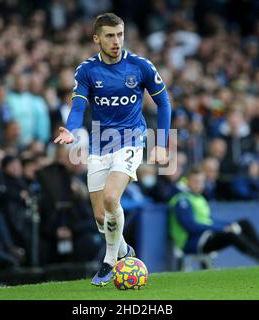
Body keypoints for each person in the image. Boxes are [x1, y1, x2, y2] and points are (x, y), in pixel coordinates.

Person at [54, 13, 171, 286]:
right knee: (99, 216)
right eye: (109, 35)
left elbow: (164, 104)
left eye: (119, 34)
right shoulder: (86, 71)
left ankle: (109, 262)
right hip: (99, 144)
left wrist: (162, 144)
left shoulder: (140, 66)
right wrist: (70, 128)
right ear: (97, 39)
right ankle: (125, 252)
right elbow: (79, 105)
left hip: (131, 140)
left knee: (110, 199)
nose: (116, 41)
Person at [169, 167, 259, 264]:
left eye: (201, 182)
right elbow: (190, 226)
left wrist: (229, 225)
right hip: (192, 242)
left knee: (243, 223)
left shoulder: (198, 198)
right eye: (195, 182)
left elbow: (208, 220)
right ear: (188, 182)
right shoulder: (182, 200)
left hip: (205, 235)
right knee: (231, 235)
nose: (199, 185)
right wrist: (221, 229)